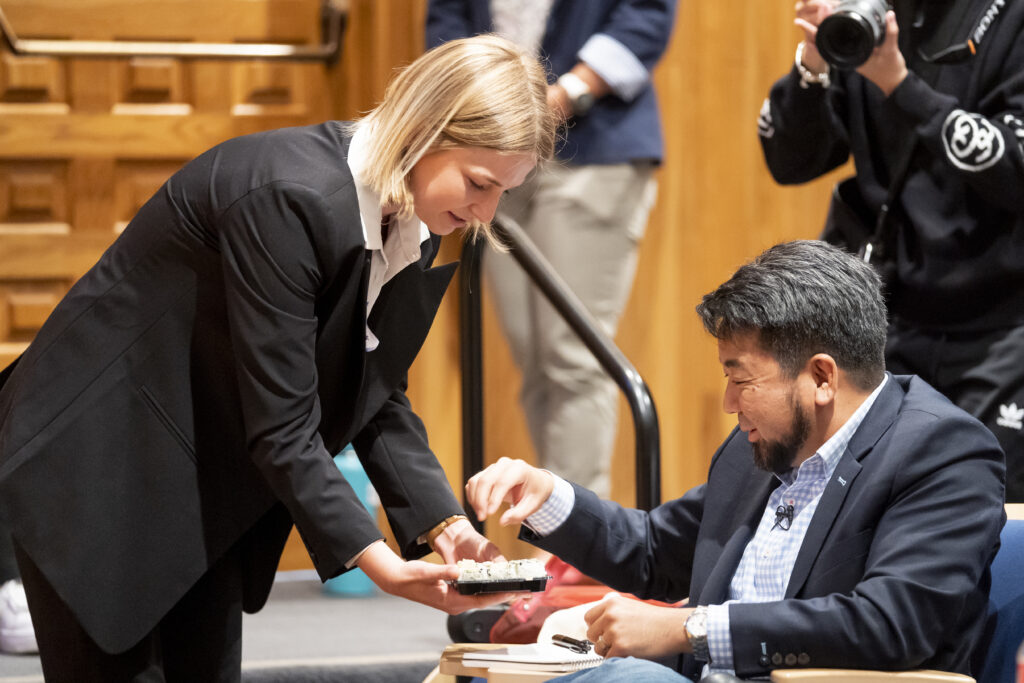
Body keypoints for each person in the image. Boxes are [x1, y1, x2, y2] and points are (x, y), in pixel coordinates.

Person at [0, 35, 559, 682]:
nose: (485, 212)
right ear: (425, 128)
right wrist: (381, 562)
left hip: (195, 470)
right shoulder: (287, 195)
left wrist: (446, 524)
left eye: (503, 193)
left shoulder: (415, 209)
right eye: (479, 183)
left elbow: (376, 393)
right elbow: (284, 422)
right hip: (95, 460)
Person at [465, 240, 1006, 681]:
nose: (728, 403)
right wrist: (547, 495)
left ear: (821, 377)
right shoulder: (763, 446)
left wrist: (690, 630)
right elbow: (655, 550)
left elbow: (890, 624)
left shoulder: (943, 454)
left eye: (740, 378)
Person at [757, 0, 1024, 502]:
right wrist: (813, 65)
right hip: (887, 317)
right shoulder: (871, 14)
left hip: (1001, 325)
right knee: (867, 506)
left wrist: (900, 86)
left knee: (990, 511)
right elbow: (789, 160)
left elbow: (1014, 166)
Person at [426, 0, 676, 497]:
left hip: (591, 145)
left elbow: (647, 14)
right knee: (535, 360)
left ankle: (577, 542)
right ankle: (562, 525)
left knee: (572, 358)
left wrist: (568, 93)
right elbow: (446, 20)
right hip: (494, 144)